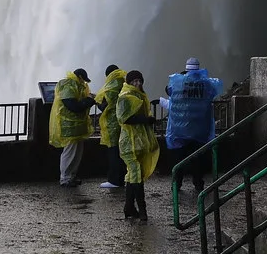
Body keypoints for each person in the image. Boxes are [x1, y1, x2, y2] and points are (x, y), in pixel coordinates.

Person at [161, 57, 223, 194]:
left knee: (179, 159)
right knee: (198, 159)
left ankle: (176, 185)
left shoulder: (178, 82)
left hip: (180, 130)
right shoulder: (206, 84)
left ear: (187, 69)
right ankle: (198, 184)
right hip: (199, 129)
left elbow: (169, 91)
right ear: (199, 69)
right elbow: (213, 93)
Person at [116, 70, 160, 221]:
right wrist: (145, 119)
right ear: (129, 82)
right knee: (136, 174)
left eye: (139, 81)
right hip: (129, 143)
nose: (138, 84)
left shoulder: (139, 95)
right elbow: (123, 118)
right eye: (134, 81)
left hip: (139, 141)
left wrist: (147, 119)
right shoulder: (125, 96)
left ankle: (129, 208)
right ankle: (142, 210)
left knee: (134, 175)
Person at [49, 68, 97, 187]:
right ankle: (65, 178)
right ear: (79, 76)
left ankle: (71, 176)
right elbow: (73, 106)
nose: (84, 83)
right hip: (69, 126)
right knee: (69, 152)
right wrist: (89, 100)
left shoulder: (77, 86)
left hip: (78, 127)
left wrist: (89, 99)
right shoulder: (68, 85)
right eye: (83, 80)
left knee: (76, 153)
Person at [95, 64, 127, 189]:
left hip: (112, 124)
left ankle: (114, 180)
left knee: (113, 153)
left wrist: (96, 101)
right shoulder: (123, 84)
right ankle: (122, 178)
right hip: (122, 123)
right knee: (121, 152)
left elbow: (105, 107)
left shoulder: (111, 87)